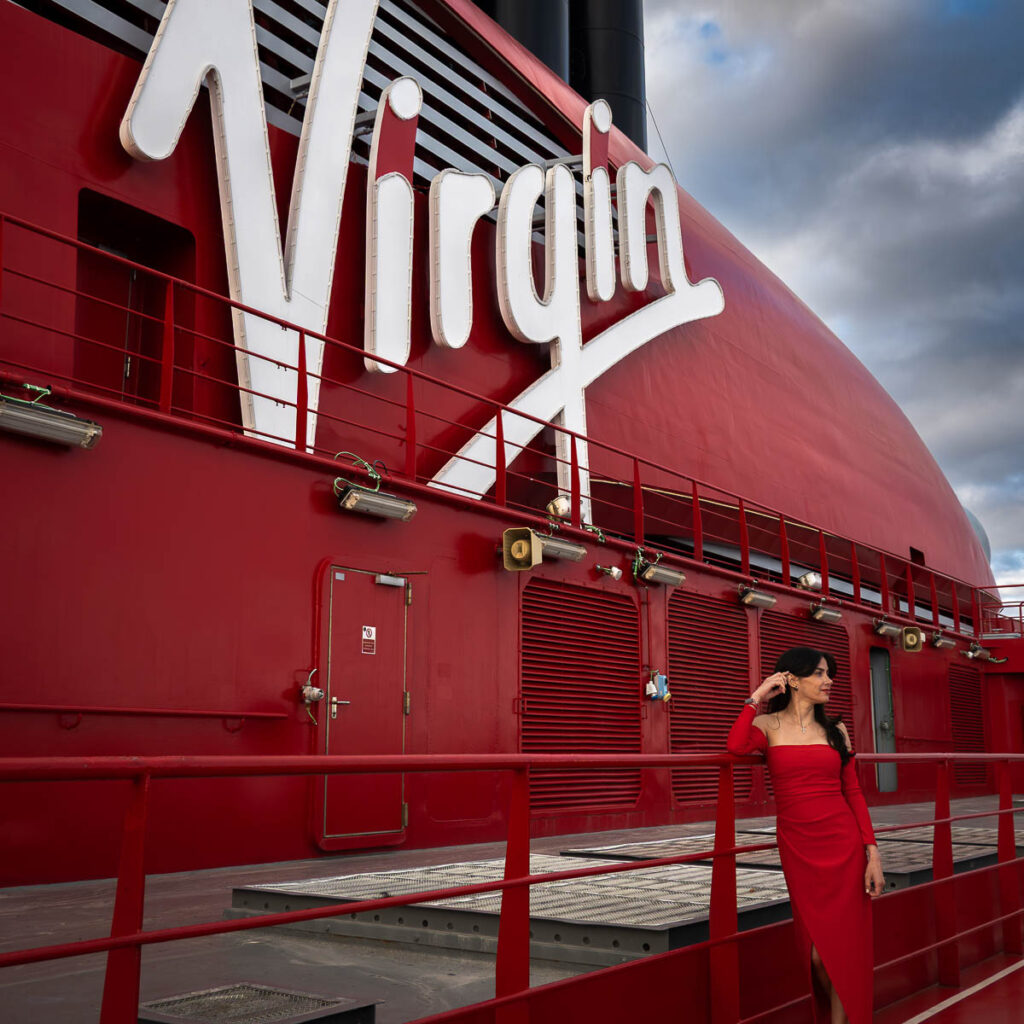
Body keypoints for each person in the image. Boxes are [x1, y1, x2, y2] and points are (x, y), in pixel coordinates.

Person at [727, 647, 884, 1024]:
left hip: (843, 845)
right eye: (818, 673)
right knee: (816, 955)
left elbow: (853, 792)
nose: (828, 680)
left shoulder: (836, 730)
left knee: (841, 952)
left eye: (829, 673)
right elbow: (734, 747)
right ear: (792, 680)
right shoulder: (767, 727)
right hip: (799, 848)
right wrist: (760, 693)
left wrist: (872, 852)